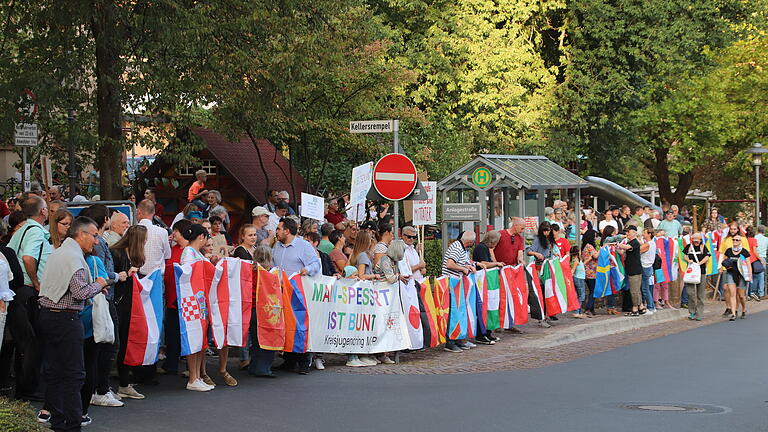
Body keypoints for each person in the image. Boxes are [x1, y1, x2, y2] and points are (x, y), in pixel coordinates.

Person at [37, 216, 109, 431]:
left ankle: (59, 421)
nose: (96, 241)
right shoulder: (74, 258)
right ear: (81, 235)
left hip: (48, 315)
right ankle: (71, 424)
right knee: (74, 374)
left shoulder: (59, 252)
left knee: (57, 371)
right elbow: (79, 292)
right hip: (65, 318)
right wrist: (98, 284)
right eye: (94, 236)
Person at [78, 205, 127, 408]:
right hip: (101, 299)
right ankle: (100, 389)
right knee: (106, 344)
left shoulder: (96, 242)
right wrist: (118, 276)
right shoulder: (96, 243)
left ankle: (99, 388)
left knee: (102, 345)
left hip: (100, 297)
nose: (96, 241)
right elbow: (102, 273)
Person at [7, 195, 52, 401]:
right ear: (42, 212)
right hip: (27, 290)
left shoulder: (22, 229)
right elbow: (27, 257)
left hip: (17, 290)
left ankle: (24, 386)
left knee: (24, 342)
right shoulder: (35, 231)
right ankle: (28, 389)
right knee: (32, 342)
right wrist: (36, 282)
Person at [272, 217, 320, 374]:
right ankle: (289, 359)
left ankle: (304, 360)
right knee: (286, 325)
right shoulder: (276, 246)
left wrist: (307, 269)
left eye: (279, 229)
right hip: (280, 292)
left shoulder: (304, 246)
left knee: (300, 325)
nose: (276, 231)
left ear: (287, 230)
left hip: (298, 293)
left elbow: (315, 263)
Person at [110, 225, 146, 400]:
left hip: (128, 305)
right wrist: (123, 274)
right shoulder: (116, 253)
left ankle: (124, 384)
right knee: (114, 344)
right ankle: (104, 387)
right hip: (119, 304)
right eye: (144, 239)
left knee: (125, 344)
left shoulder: (131, 255)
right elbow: (111, 276)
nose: (146, 242)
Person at [179, 223, 216, 390]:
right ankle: (193, 377)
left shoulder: (196, 253)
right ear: (201, 237)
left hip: (199, 300)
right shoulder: (188, 252)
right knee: (193, 338)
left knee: (199, 339)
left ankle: (198, 376)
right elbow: (188, 274)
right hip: (191, 300)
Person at [161, 219, 192, 377]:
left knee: (187, 333)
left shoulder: (189, 251)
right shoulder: (172, 250)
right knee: (171, 333)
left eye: (176, 231)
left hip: (185, 299)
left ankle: (191, 367)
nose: (173, 234)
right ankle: (171, 364)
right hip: (171, 297)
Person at [441, 231, 477, 352]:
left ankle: (456, 338)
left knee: (458, 312)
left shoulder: (460, 247)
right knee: (453, 312)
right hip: (451, 283)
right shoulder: (457, 247)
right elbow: (450, 264)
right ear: (470, 242)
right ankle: (450, 341)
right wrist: (463, 269)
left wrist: (467, 266)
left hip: (456, 283)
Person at [247, 245, 279, 377]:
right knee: (268, 339)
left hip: (252, 309)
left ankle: (254, 366)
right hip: (266, 310)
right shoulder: (269, 274)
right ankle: (263, 368)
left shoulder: (249, 271)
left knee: (255, 340)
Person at [472, 230, 504, 342]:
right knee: (484, 307)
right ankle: (481, 334)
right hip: (483, 282)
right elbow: (483, 263)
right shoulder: (481, 248)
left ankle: (488, 332)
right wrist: (496, 264)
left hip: (488, 282)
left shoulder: (486, 248)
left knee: (491, 305)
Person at [136, 199, 171, 277]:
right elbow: (167, 255)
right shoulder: (163, 232)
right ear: (153, 213)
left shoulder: (129, 231)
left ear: (138, 212)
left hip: (137, 276)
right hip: (157, 276)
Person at [616, 226, 645, 316]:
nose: (627, 234)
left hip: (635, 270)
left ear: (634, 233)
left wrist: (617, 244)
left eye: (629, 232)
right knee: (636, 290)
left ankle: (635, 309)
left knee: (634, 290)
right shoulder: (631, 242)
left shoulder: (634, 242)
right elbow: (622, 252)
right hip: (632, 269)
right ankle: (641, 307)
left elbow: (626, 247)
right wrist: (614, 248)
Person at [721, 234, 751, 321]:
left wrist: (750, 274)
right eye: (733, 240)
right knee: (732, 293)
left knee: (741, 296)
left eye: (737, 240)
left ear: (740, 242)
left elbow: (748, 263)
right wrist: (726, 266)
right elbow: (725, 260)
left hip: (741, 274)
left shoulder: (744, 252)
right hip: (731, 273)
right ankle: (734, 313)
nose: (735, 241)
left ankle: (744, 309)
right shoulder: (729, 251)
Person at [683, 233, 710, 321]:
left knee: (700, 294)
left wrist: (699, 263)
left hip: (701, 272)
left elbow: (707, 256)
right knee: (690, 292)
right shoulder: (689, 247)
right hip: (691, 272)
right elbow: (685, 255)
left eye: (698, 241)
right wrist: (688, 260)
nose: (696, 243)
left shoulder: (703, 247)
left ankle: (699, 313)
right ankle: (692, 311)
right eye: (694, 241)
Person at [581, 228, 599, 317]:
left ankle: (591, 309)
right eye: (594, 237)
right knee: (593, 291)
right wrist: (603, 248)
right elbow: (595, 255)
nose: (595, 239)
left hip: (587, 272)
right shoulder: (589, 246)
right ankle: (588, 308)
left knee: (592, 290)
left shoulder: (584, 246)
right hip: (592, 272)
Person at [639, 228, 657, 315]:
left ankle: (650, 307)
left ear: (649, 234)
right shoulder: (651, 243)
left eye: (644, 233)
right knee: (647, 288)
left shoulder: (648, 244)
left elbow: (638, 250)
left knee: (645, 289)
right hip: (649, 267)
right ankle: (652, 306)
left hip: (645, 267)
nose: (643, 234)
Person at [570, 245, 587, 318]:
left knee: (579, 295)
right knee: (581, 296)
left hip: (579, 278)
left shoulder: (576, 259)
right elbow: (573, 270)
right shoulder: (576, 260)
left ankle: (579, 312)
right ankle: (577, 312)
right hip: (578, 279)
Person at [753, 225, 768, 300]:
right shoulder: (766, 239)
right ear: (764, 231)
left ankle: (753, 292)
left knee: (754, 276)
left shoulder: (754, 238)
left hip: (754, 258)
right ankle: (761, 293)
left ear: (757, 230)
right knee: (762, 276)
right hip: (762, 258)